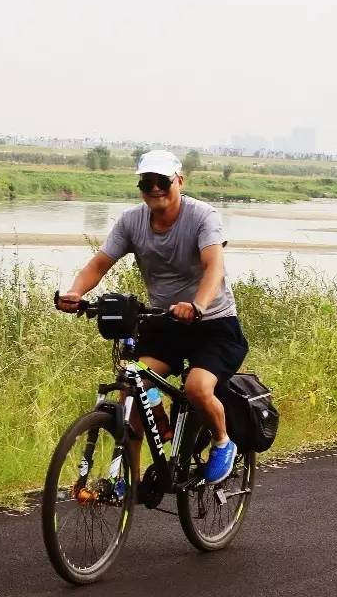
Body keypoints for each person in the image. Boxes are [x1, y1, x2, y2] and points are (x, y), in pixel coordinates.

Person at [56, 149, 248, 485]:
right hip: (166, 323)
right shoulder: (131, 221)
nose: (155, 188)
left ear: (179, 181)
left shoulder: (202, 216)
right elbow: (100, 264)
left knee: (197, 387)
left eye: (163, 181)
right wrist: (76, 293)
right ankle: (129, 481)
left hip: (213, 324)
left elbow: (213, 266)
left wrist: (198, 305)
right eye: (147, 182)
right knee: (133, 387)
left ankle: (222, 441)